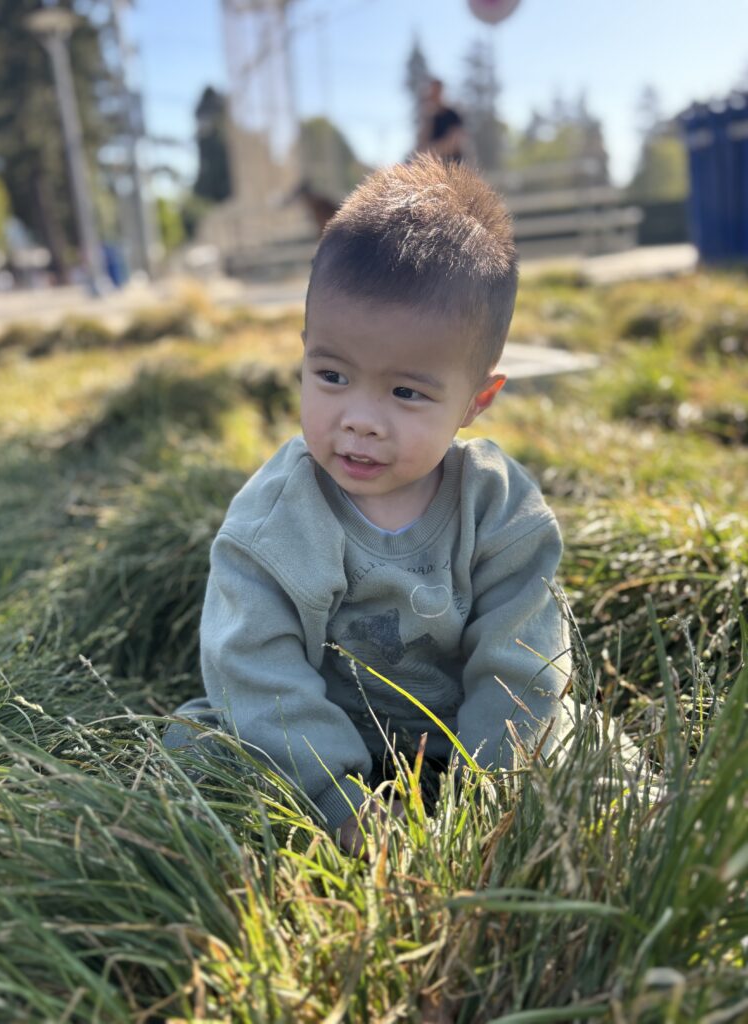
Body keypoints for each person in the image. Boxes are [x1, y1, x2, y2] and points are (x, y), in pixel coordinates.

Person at [166, 155, 571, 855]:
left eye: (406, 393)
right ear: (302, 356)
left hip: (461, 730)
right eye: (332, 375)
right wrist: (340, 797)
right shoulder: (274, 519)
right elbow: (255, 668)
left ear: (477, 402)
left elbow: (520, 660)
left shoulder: (501, 510)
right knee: (198, 741)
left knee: (584, 745)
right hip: (320, 729)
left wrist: (489, 795)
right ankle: (325, 799)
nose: (359, 419)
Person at [416, 77, 467, 163]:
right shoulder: (429, 118)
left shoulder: (453, 115)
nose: (433, 95)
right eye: (431, 92)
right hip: (433, 166)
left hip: (452, 165)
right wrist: (427, 119)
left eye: (436, 91)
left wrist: (430, 152)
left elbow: (455, 142)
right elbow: (422, 144)